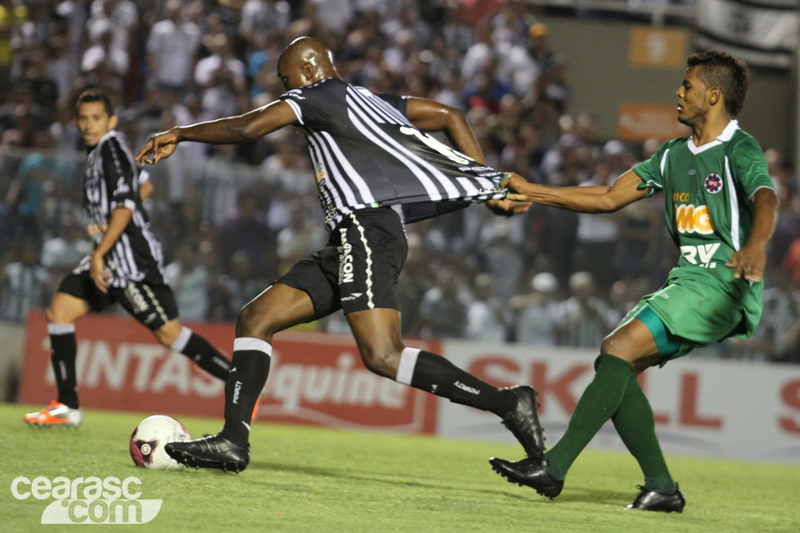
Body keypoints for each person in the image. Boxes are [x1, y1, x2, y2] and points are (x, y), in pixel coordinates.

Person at [136, 36, 542, 473]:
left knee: (383, 355)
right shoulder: (376, 102)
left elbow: (247, 128)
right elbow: (450, 116)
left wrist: (180, 132)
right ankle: (234, 441)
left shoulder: (316, 94)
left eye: (286, 79)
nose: (284, 88)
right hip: (352, 236)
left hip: (367, 229)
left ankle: (507, 403)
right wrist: (486, 183)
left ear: (309, 70)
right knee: (256, 318)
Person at [490, 51, 779, 513]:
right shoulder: (671, 155)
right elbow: (608, 198)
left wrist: (757, 244)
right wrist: (532, 190)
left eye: (687, 85)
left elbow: (765, 196)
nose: (678, 93)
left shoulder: (738, 148)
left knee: (618, 348)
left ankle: (554, 467)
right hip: (690, 280)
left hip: (725, 282)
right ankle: (661, 487)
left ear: (713, 95)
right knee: (617, 364)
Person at [23, 88, 232, 428]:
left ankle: (238, 383)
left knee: (170, 335)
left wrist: (102, 250)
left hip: (131, 261)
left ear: (111, 121)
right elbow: (144, 186)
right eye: (84, 118)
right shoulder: (99, 153)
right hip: (109, 256)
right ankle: (67, 406)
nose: (89, 125)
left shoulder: (112, 151)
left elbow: (125, 204)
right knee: (60, 311)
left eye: (96, 118)